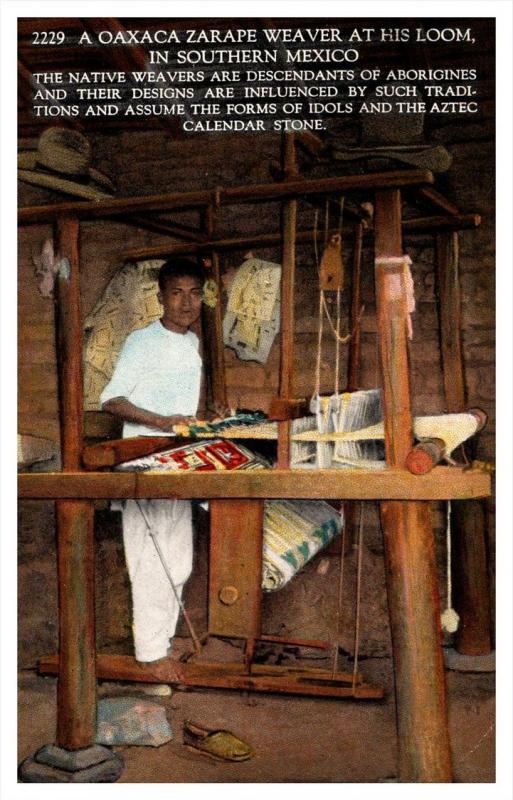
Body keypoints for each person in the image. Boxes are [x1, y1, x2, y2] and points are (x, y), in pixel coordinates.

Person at [101, 258, 204, 665]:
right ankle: (148, 658)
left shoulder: (192, 343)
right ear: (160, 297)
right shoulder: (142, 341)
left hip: (179, 462)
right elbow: (111, 400)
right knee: (149, 562)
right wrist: (163, 422)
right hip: (143, 460)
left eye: (194, 293)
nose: (186, 302)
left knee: (178, 562)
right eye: (176, 292)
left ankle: (161, 646)